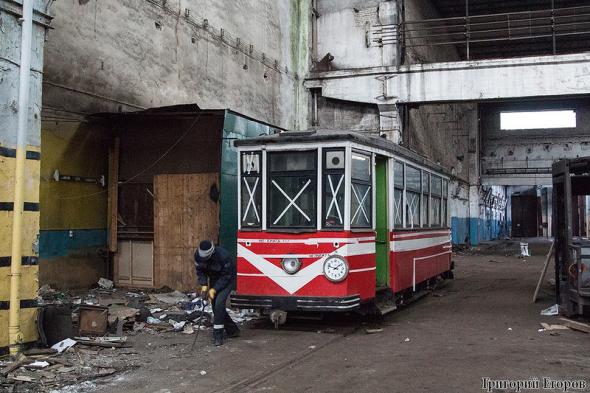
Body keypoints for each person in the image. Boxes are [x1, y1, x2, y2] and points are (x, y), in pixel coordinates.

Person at [194, 240, 239, 346]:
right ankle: (233, 330)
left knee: (219, 304)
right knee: (215, 307)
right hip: (214, 279)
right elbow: (200, 271)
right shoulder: (198, 255)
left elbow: (226, 276)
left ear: (212, 252)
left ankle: (217, 336)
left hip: (227, 280)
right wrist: (204, 285)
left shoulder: (223, 256)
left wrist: (214, 289)